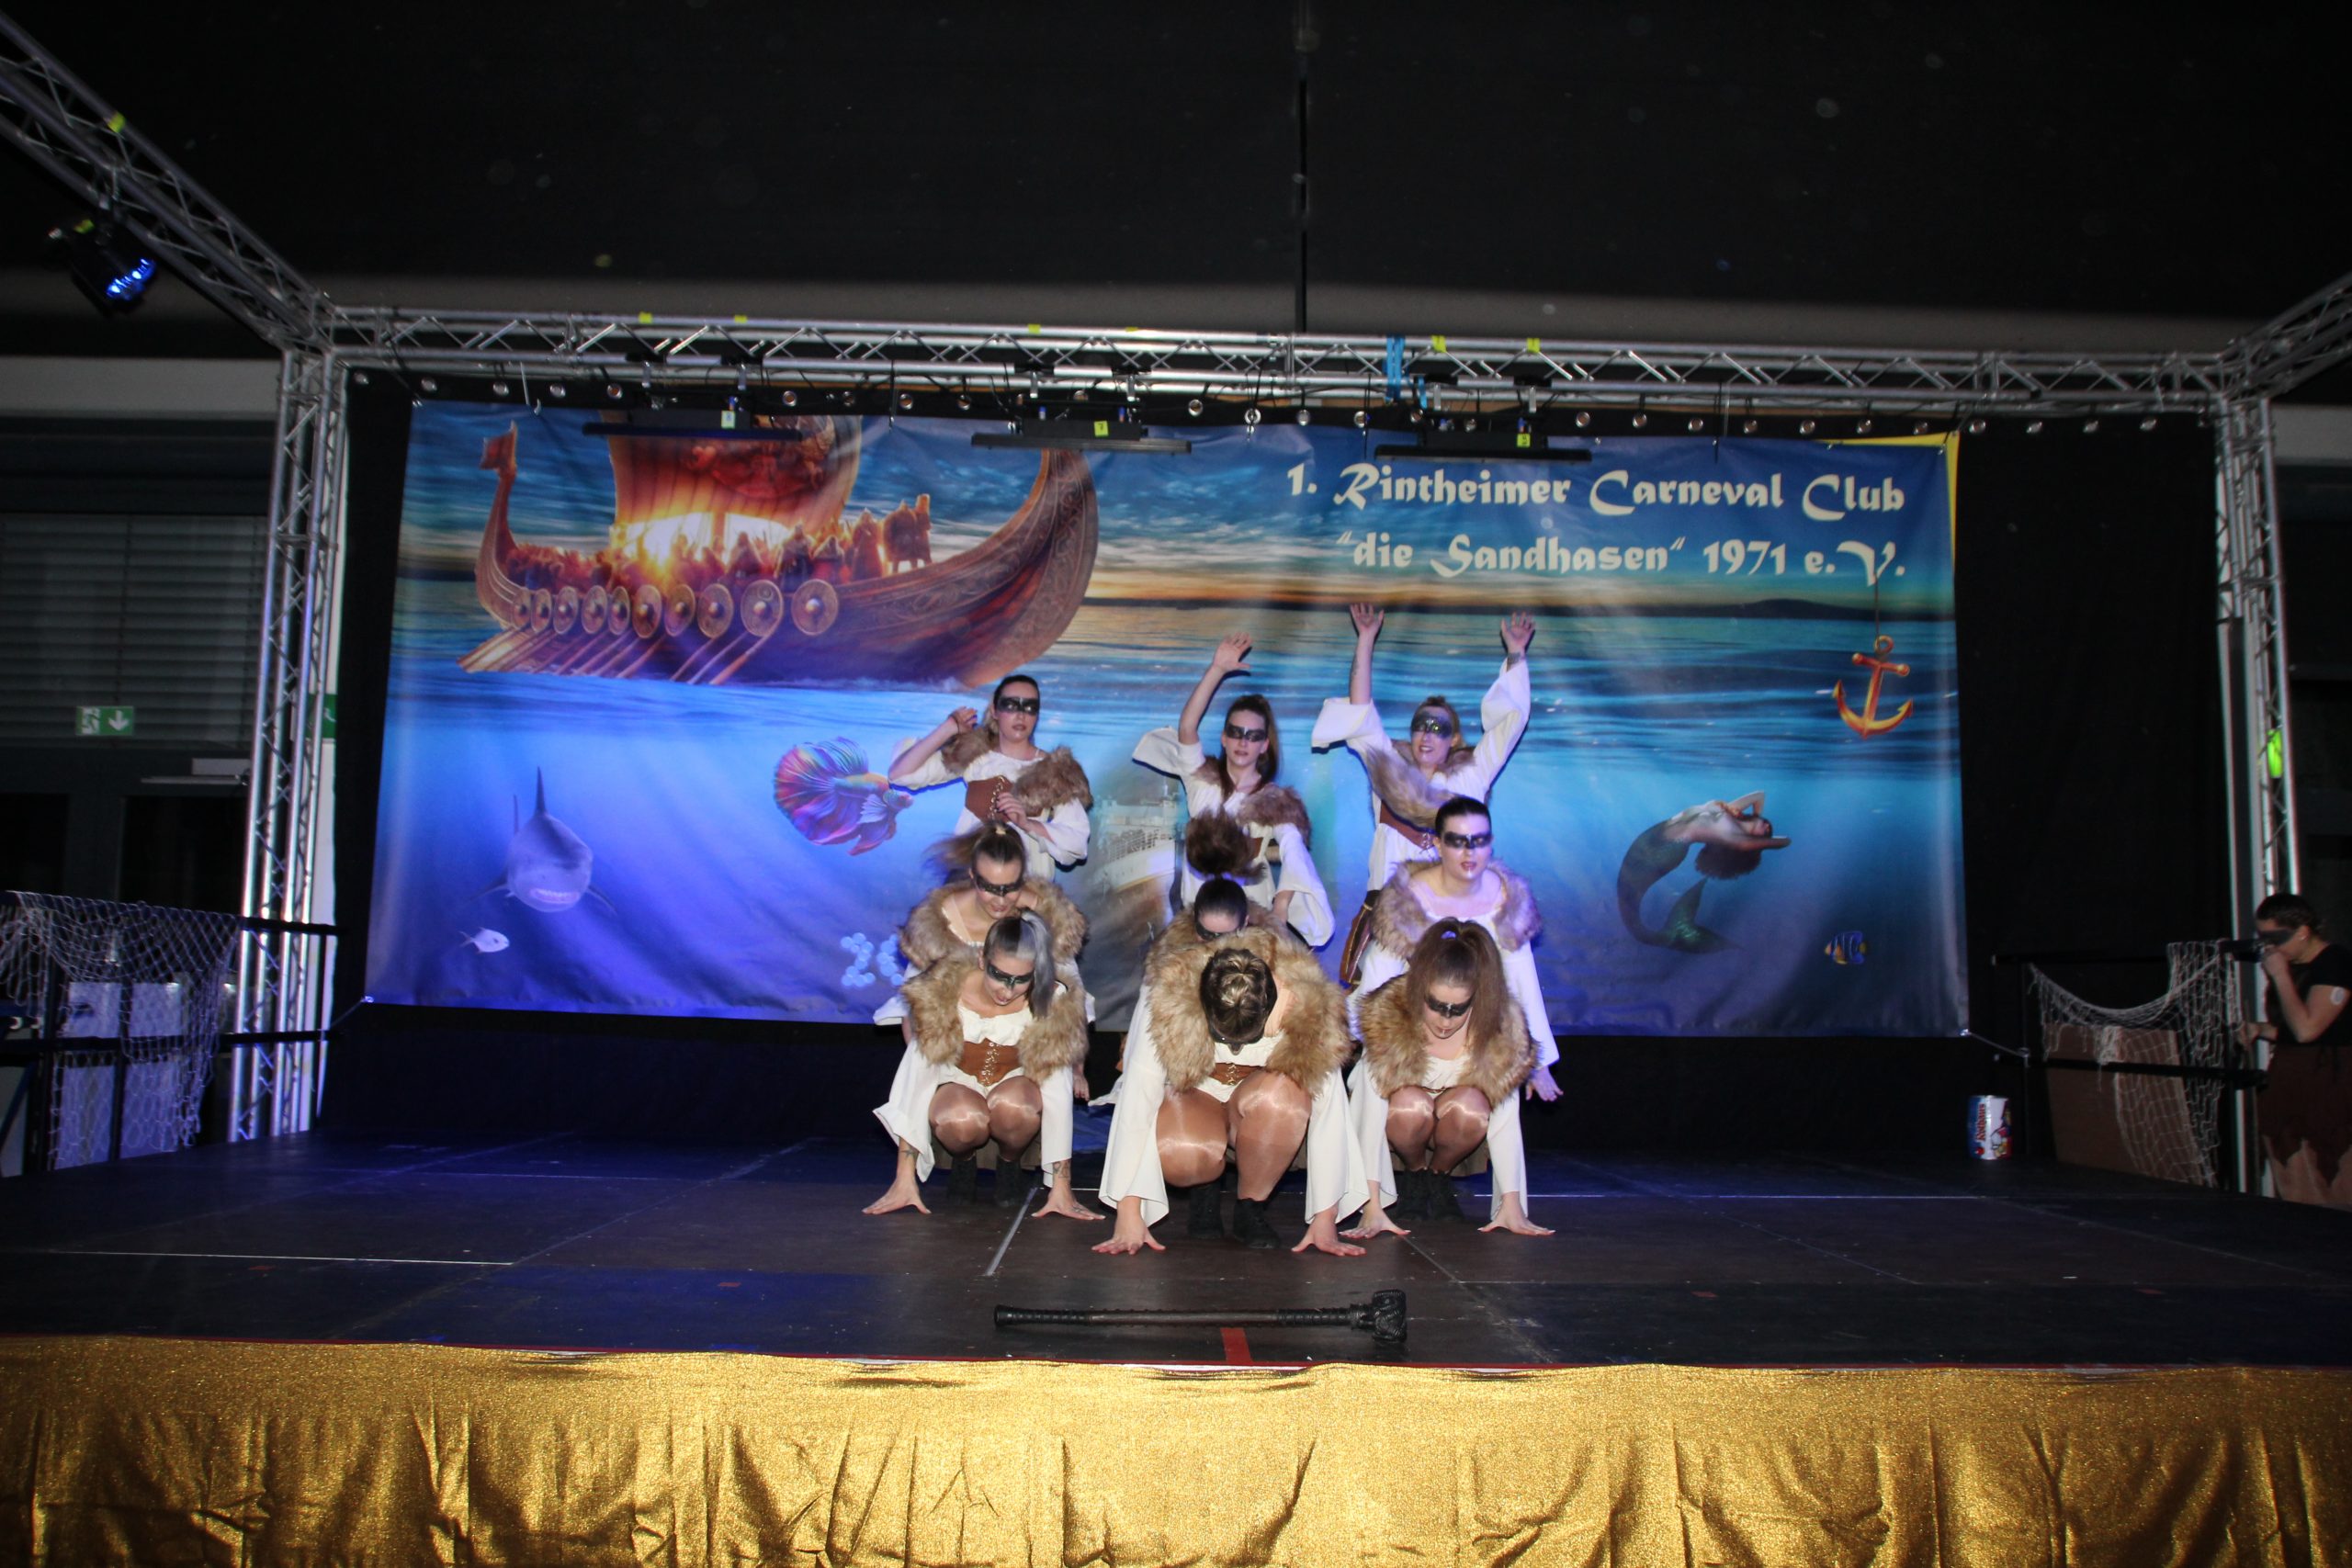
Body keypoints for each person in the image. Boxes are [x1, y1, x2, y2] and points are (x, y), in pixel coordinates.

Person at [1093, 925, 1366, 1257]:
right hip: (1194, 1097)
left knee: (1284, 1099)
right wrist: (1128, 1212)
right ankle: (1204, 1187)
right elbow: (1136, 1102)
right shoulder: (1167, 999)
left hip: (1258, 1105)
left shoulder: (1309, 1008)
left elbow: (1331, 1114)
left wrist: (1326, 1218)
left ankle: (1250, 1205)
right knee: (1183, 1152)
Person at [866, 912, 1101, 1223]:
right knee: (962, 1118)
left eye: (1021, 979)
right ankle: (963, 1163)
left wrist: (1061, 1188)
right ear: (981, 959)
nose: (1007, 989)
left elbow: (1057, 1092)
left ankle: (1010, 1164)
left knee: (1015, 1107)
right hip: (957, 1087)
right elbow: (915, 1083)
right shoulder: (943, 993)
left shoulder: (1051, 1001)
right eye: (998, 974)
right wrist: (904, 1178)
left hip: (1015, 1089)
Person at [1344, 921, 1551, 1238]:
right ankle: (1415, 1174)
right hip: (1399, 1123)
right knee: (1410, 1105)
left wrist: (1512, 1204)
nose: (1445, 1019)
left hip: (1456, 1125)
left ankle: (1437, 1176)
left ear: (1476, 999)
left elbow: (1506, 1122)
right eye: (1436, 1005)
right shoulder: (1390, 1022)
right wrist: (1371, 1206)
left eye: (1458, 1009)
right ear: (1419, 991)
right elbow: (1369, 1119)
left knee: (1470, 1108)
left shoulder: (1499, 1030)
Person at [1312, 604, 1536, 891]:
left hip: (1450, 910)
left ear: (1453, 739)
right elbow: (1360, 710)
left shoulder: (1472, 776)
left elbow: (1511, 721)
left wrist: (1516, 652)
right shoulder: (1389, 769)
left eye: (1438, 728)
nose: (1427, 735)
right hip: (1388, 909)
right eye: (1421, 726)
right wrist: (1365, 639)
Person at [1353, 796, 1562, 1100]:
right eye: (1457, 841)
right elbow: (1378, 977)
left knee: (1496, 1071)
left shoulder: (1507, 900)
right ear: (1438, 845)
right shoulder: (1408, 901)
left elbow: (1523, 981)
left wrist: (1538, 1063)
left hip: (1483, 1031)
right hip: (1416, 1028)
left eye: (1479, 841)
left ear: (1491, 844)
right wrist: (1371, 1042)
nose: (1469, 852)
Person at [1133, 635, 1334, 946]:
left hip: (1251, 925)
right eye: (1236, 732)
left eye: (1253, 736)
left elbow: (1294, 851)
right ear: (1224, 738)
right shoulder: (1201, 781)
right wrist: (1217, 669)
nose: (1243, 742)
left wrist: (1281, 907)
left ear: (1264, 745)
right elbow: (1187, 727)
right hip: (1197, 923)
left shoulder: (1277, 804)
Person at [874, 823, 1086, 1026]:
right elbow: (916, 1008)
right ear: (972, 877)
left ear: (1022, 879)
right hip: (957, 1034)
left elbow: (1069, 998)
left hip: (1029, 1034)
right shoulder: (939, 924)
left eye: (1010, 888)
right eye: (990, 887)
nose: (1000, 900)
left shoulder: (1048, 918)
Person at [888, 673, 1091, 879]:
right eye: (1011, 705)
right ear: (995, 710)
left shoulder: (1056, 771)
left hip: (1025, 885)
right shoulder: (975, 758)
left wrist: (1028, 824)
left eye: (1030, 707)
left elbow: (1076, 842)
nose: (1021, 715)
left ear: (1037, 715)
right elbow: (901, 773)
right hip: (969, 880)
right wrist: (948, 728)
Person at [2245, 893, 2352, 1207]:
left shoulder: (2335, 963)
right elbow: (2292, 1031)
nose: (2271, 948)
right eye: (2264, 939)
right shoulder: (2292, 967)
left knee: (2332, 1173)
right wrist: (2261, 1029)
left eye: (2276, 939)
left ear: (2303, 931)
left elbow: (2308, 1030)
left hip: (2330, 1084)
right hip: (2291, 1079)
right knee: (2294, 1174)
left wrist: (2279, 977)